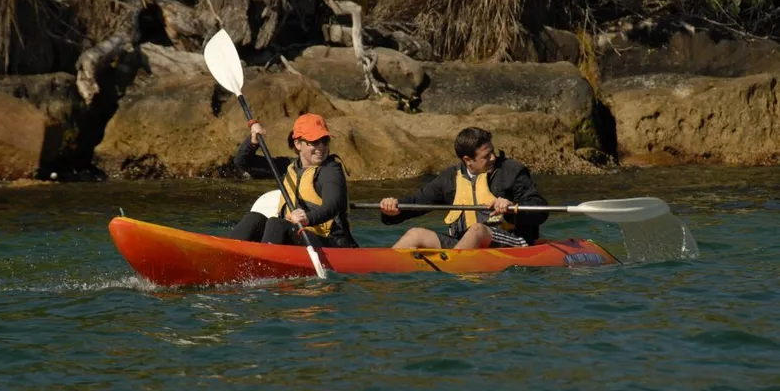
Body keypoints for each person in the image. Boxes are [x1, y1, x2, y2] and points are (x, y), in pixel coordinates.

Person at [379, 127, 548, 249]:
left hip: (514, 241)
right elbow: (417, 202)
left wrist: (511, 208)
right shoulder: (450, 178)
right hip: (462, 244)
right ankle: (383, 273)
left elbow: (540, 207)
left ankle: (454, 268)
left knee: (477, 230)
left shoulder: (511, 170)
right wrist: (393, 209)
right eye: (485, 156)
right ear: (468, 160)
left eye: (492, 151)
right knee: (415, 234)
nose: (493, 157)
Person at [228, 113, 358, 248]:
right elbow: (242, 162)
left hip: (332, 244)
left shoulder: (331, 170)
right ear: (298, 144)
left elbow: (333, 205)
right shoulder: (288, 167)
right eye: (314, 141)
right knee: (253, 218)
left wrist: (308, 218)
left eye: (324, 141)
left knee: (277, 223)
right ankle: (227, 254)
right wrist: (252, 142)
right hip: (297, 237)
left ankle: (265, 264)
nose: (321, 147)